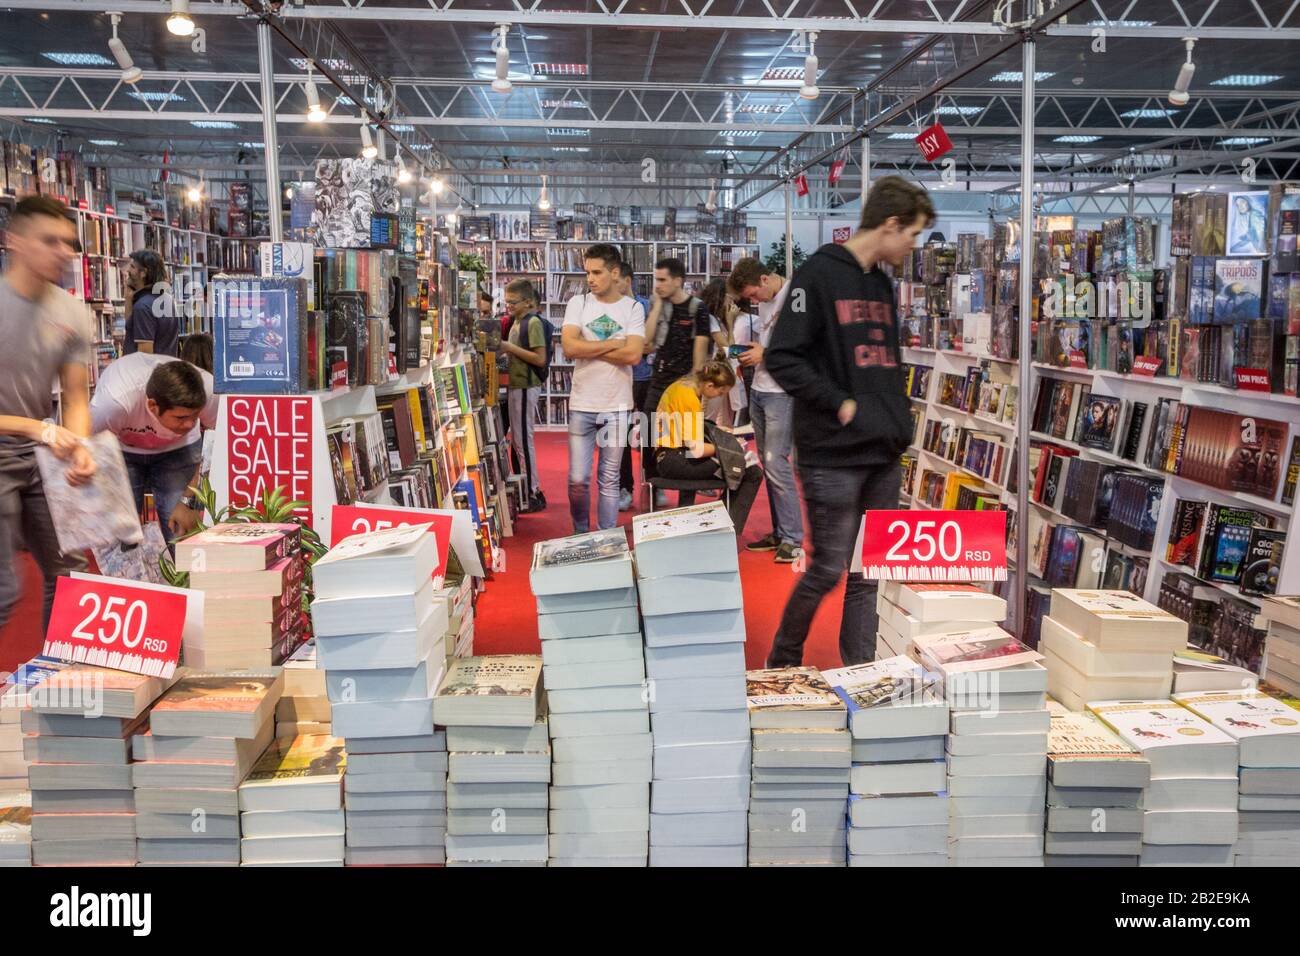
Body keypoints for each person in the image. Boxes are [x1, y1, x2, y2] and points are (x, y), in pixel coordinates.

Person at [765, 175, 935, 667]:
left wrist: (896, 418)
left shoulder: (881, 283)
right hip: (832, 455)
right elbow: (783, 358)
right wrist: (841, 403)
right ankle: (782, 660)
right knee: (826, 569)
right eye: (912, 234)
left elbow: (888, 361)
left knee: (868, 574)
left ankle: (862, 671)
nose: (913, 245)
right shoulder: (818, 275)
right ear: (890, 224)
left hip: (882, 451)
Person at [0, 196, 97, 631]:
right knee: (4, 590)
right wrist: (40, 429)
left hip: (42, 454)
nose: (64, 252)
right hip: (22, 443)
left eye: (69, 243)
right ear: (14, 242)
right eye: (50, 241)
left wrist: (80, 446)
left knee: (70, 573)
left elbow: (76, 397)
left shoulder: (72, 312)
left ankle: (54, 683)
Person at [90, 352, 217, 544]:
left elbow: (220, 444)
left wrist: (187, 500)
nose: (190, 424)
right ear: (152, 405)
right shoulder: (113, 403)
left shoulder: (209, 391)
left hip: (179, 450)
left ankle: (183, 573)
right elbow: (88, 447)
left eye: (195, 416)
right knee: (121, 535)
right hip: (122, 449)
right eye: (181, 418)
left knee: (181, 532)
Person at [561, 243, 644, 533]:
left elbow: (633, 355)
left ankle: (607, 539)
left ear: (615, 272)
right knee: (577, 479)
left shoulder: (632, 308)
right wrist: (611, 344)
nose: (590, 279)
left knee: (609, 480)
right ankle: (580, 534)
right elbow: (569, 347)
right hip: (581, 404)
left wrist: (587, 348)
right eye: (587, 273)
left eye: (597, 272)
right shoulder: (578, 304)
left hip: (618, 405)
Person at [728, 257, 802, 564]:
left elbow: (804, 349)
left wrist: (765, 354)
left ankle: (793, 538)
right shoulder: (766, 302)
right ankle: (781, 531)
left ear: (763, 279)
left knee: (776, 464)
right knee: (769, 465)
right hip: (760, 388)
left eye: (753, 295)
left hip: (781, 393)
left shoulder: (796, 297)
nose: (753, 301)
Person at [653, 360, 762, 535]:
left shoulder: (679, 386)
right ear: (710, 385)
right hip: (675, 460)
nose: (719, 396)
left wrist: (716, 431)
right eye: (721, 392)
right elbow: (696, 450)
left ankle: (698, 524)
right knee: (752, 472)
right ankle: (726, 531)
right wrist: (733, 447)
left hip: (666, 456)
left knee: (732, 462)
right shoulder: (690, 399)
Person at [498, 279, 547, 513]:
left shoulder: (532, 322)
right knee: (518, 441)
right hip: (516, 385)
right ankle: (527, 488)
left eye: (513, 303)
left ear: (528, 302)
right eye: (506, 302)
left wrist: (509, 348)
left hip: (527, 384)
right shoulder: (516, 321)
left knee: (523, 441)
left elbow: (539, 358)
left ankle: (532, 490)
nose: (509, 306)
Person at [617, 262, 653, 512]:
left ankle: (653, 484)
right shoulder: (613, 309)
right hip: (622, 379)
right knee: (620, 436)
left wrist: (632, 347)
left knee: (649, 436)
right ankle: (625, 488)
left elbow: (651, 343)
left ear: (627, 280)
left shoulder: (646, 306)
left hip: (647, 377)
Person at [124, 249, 177, 356]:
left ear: (143, 273)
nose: (128, 270)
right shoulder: (167, 299)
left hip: (145, 371)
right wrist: (128, 300)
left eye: (133, 267)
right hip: (165, 368)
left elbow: (145, 354)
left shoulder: (143, 306)